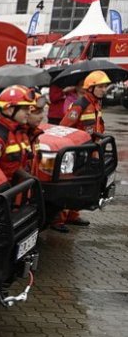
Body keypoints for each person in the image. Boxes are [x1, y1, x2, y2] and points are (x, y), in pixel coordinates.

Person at [54, 71, 111, 231]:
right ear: (91, 88)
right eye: (100, 86)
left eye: (105, 86)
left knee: (81, 184)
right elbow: (64, 127)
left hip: (90, 150)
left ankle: (73, 214)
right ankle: (58, 220)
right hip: (78, 151)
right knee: (69, 184)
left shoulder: (95, 104)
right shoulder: (81, 104)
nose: (104, 89)